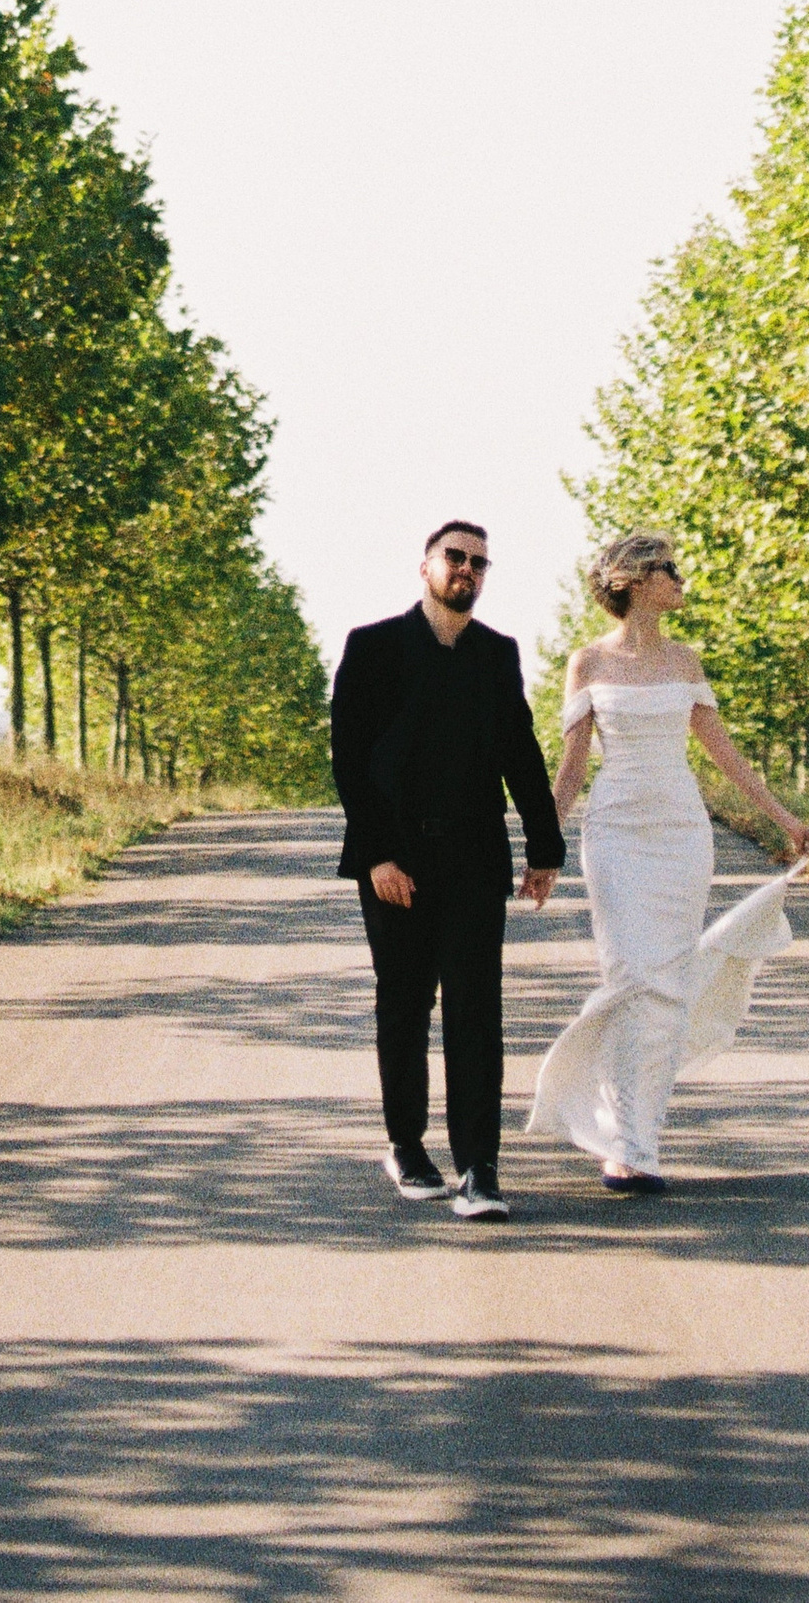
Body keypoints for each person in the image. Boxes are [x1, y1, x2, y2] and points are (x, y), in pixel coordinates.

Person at [527, 530, 809, 1193]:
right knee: (633, 975)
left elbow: (723, 752)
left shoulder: (686, 661)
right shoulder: (589, 664)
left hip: (682, 835)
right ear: (634, 579)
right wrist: (545, 844)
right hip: (617, 833)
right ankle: (609, 1124)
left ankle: (636, 1145)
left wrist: (787, 820)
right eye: (670, 569)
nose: (682, 579)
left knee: (669, 988)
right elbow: (572, 765)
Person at [329, 517, 565, 1221]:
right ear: (426, 565)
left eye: (479, 563)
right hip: (395, 861)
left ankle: (480, 1167)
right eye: (455, 557)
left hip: (472, 857)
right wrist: (376, 853)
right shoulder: (371, 648)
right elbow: (349, 758)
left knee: (475, 1010)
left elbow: (520, 753)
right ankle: (406, 1144)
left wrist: (544, 845)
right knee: (403, 1004)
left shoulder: (497, 653)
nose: (467, 569)